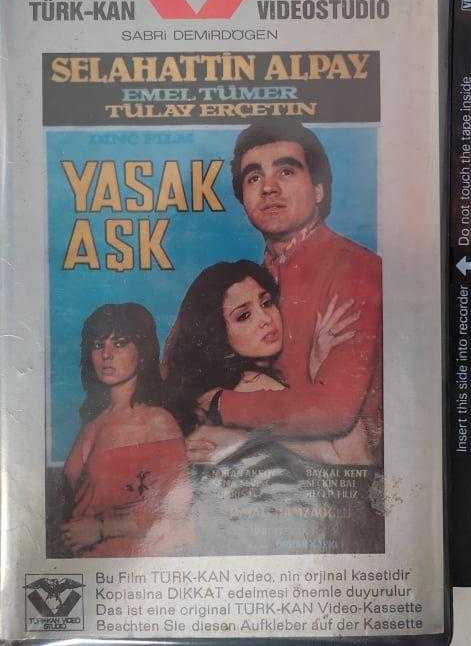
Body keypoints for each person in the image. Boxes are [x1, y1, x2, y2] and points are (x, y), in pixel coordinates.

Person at [190, 120, 383, 466]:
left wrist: (221, 404)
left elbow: (333, 411)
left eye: (286, 172)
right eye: (254, 178)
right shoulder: (253, 281)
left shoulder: (355, 268)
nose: (268, 188)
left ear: (319, 190)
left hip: (348, 477)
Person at [165, 260, 383, 555]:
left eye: (266, 303)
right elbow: (352, 461)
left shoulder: (213, 389)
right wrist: (319, 365)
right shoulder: (249, 384)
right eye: (244, 316)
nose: (266, 319)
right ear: (216, 333)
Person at [60, 304, 191, 557]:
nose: (106, 354)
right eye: (98, 345)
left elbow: (178, 513)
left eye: (119, 344)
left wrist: (101, 528)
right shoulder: (92, 423)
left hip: (131, 565)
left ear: (142, 352)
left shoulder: (157, 422)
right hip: (86, 567)